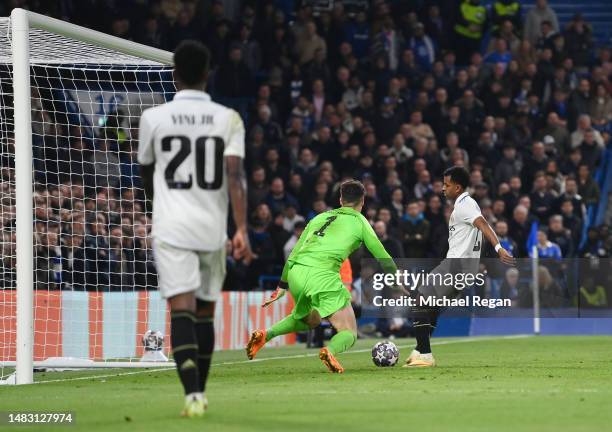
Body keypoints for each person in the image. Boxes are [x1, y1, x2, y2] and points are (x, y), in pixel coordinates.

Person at [138, 40, 251, 418]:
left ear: (174, 74)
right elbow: (235, 176)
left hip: (171, 228)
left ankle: (192, 397)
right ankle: (201, 390)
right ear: (208, 74)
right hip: (210, 228)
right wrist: (242, 230)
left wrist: (159, 211)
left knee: (180, 309)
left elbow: (147, 177)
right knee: (204, 312)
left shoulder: (152, 118)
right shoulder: (229, 118)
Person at [245, 180, 397, 373]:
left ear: (341, 199)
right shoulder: (359, 221)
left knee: (310, 319)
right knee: (348, 332)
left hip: (297, 273)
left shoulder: (319, 218)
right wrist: (396, 280)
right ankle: (330, 351)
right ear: (363, 201)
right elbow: (382, 255)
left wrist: (282, 286)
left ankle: (265, 335)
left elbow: (293, 254)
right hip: (323, 274)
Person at [403, 166, 514, 368]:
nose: (443, 188)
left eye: (447, 185)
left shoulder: (465, 204)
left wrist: (499, 248)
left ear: (458, 187)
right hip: (464, 268)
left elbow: (483, 223)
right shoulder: (464, 205)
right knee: (432, 306)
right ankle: (419, 350)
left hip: (456, 265)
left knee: (419, 299)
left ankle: (425, 354)